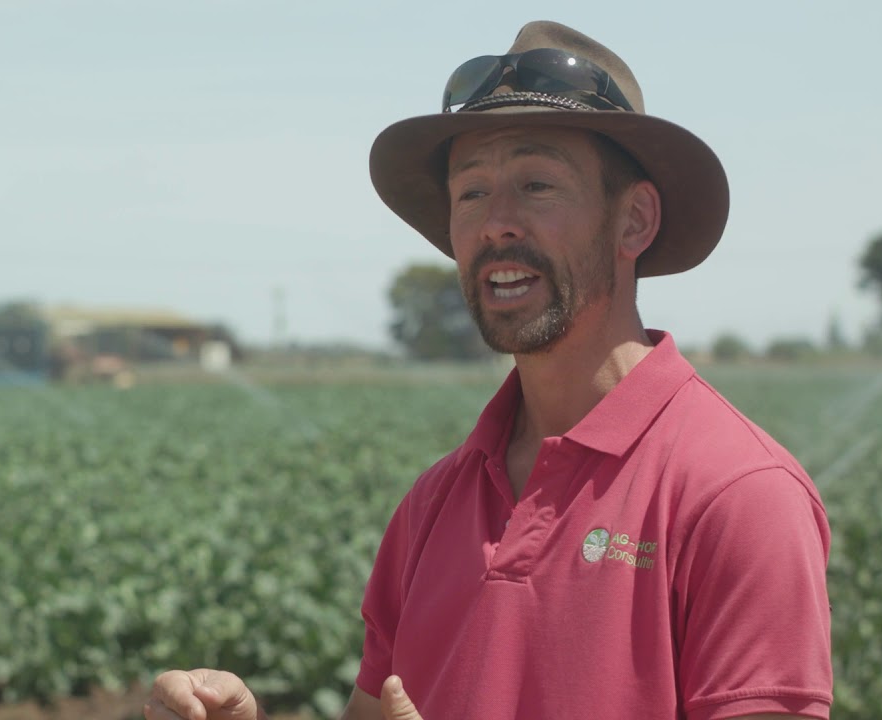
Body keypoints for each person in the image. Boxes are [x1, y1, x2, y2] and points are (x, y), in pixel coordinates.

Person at [146, 20, 832, 720]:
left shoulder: (738, 497)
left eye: (536, 184)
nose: (496, 222)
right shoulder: (434, 502)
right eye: (471, 192)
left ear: (633, 222)